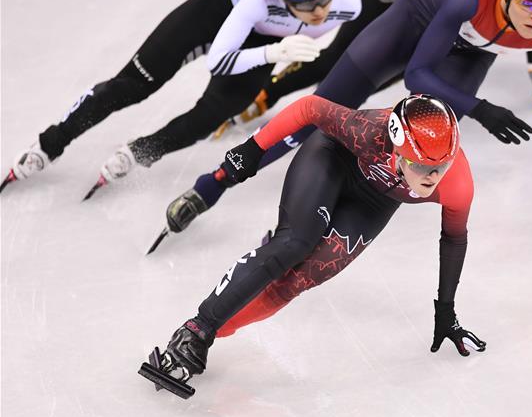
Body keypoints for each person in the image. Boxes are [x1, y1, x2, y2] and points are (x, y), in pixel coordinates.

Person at [156, 0, 532, 252]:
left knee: (418, 148)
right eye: (530, 6)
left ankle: (302, 228)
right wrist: (481, 109)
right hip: (412, 25)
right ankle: (211, 185)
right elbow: (419, 75)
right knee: (319, 114)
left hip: (469, 54)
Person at [139, 94, 486, 398]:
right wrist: (254, 149)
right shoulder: (368, 130)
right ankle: (195, 331)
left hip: (373, 203)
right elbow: (310, 108)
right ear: (397, 151)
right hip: (332, 158)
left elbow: (454, 239)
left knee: (295, 282)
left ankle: (214, 332)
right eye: (422, 166)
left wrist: (446, 311)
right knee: (295, 243)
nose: (432, 176)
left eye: (440, 166)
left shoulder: (457, 185)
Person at [2, 0, 360, 195]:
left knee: (210, 117)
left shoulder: (348, 3)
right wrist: (273, 53)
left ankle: (141, 151)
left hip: (266, 42)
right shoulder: (256, 1)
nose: (321, 11)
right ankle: (49, 143)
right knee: (132, 86)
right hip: (215, 11)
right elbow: (221, 59)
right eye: (307, 3)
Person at [213, 0, 525, 137]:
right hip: (387, 1)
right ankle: (265, 95)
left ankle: (314, 116)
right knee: (331, 61)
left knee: (384, 78)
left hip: (426, 22)